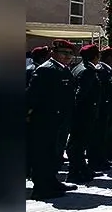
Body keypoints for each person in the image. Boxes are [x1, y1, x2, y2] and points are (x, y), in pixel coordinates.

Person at [26, 39, 78, 199]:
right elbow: (32, 96)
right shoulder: (46, 70)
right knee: (43, 154)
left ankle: (51, 181)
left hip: (60, 120)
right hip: (45, 120)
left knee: (55, 153)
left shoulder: (63, 69)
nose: (67, 56)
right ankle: (41, 188)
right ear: (53, 53)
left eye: (70, 54)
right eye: (64, 53)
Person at [68, 44, 105, 179]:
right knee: (79, 142)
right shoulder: (87, 71)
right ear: (95, 57)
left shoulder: (77, 68)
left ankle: (81, 168)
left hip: (80, 112)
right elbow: (81, 93)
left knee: (78, 142)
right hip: (84, 112)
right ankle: (76, 171)